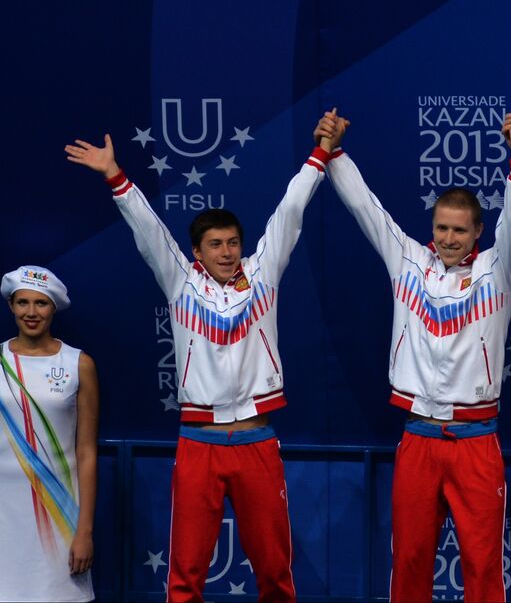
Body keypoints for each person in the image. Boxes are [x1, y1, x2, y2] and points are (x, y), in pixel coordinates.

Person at [64, 112, 340, 603]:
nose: (228, 252)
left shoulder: (263, 273)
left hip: (257, 440)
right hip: (198, 443)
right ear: (197, 250)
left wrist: (319, 154)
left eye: (233, 242)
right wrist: (115, 176)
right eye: (216, 244)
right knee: (186, 575)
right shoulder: (180, 282)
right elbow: (148, 230)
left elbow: (291, 210)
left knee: (276, 572)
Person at [322, 109, 511, 603]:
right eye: (441, 227)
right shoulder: (410, 262)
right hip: (418, 436)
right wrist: (333, 153)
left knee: (483, 566)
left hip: (476, 440)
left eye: (459, 230)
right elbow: (367, 209)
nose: (448, 239)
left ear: (478, 231)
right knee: (411, 560)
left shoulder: (496, 270)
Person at [0, 266, 98, 602]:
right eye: (22, 302)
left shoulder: (79, 364)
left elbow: (86, 453)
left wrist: (85, 530)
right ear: (11, 306)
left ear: (53, 308)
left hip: (59, 518)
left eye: (40, 303)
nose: (31, 312)